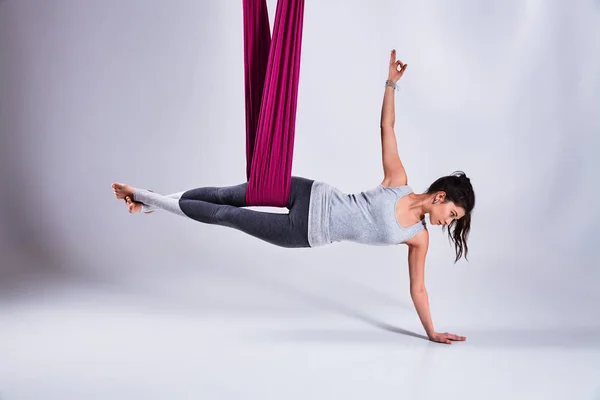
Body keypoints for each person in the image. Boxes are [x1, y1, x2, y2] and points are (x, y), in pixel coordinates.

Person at [112, 49, 475, 345]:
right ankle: (150, 201)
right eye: (453, 213)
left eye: (454, 220)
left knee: (226, 215)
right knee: (227, 194)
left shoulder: (418, 238)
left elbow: (419, 288)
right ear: (440, 196)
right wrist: (391, 84)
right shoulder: (398, 181)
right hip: (308, 190)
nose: (448, 222)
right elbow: (387, 127)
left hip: (302, 232)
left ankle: (144, 197)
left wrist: (431, 331)